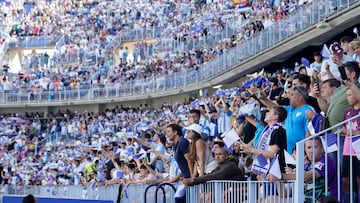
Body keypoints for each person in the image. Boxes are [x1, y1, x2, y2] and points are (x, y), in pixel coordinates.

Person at [277, 137, 338, 202]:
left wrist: (281, 176)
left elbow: (307, 177)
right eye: (309, 147)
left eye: (315, 147)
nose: (311, 150)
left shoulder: (326, 160)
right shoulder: (306, 167)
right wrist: (277, 179)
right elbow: (285, 194)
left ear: (322, 149)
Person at [341, 83, 360, 203]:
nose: (347, 98)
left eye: (350, 95)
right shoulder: (347, 112)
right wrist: (343, 131)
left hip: (358, 150)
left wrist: (355, 132)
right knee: (345, 180)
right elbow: (345, 128)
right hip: (347, 150)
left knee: (359, 179)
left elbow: (354, 131)